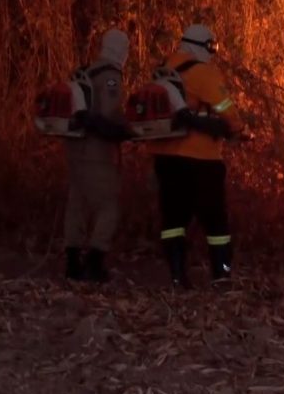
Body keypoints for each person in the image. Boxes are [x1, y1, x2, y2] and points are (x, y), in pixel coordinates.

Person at [148, 23, 245, 288]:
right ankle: (222, 274)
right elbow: (227, 111)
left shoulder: (163, 70)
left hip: (165, 158)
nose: (212, 52)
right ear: (201, 46)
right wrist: (237, 129)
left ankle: (178, 277)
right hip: (201, 159)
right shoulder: (203, 73)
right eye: (211, 47)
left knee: (173, 219)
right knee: (215, 221)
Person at [64, 28, 132, 282]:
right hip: (98, 151)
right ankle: (95, 261)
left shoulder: (85, 72)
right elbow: (109, 113)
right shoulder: (111, 77)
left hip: (75, 148)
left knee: (77, 203)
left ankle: (72, 263)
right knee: (108, 205)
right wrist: (126, 130)